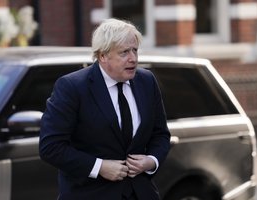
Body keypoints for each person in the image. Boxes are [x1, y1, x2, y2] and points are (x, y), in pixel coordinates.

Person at [39, 18, 171, 200]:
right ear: (102, 56)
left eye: (135, 50)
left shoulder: (147, 81)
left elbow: (161, 134)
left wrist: (151, 161)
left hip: (141, 193)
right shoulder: (72, 87)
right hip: (89, 194)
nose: (133, 58)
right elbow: (51, 147)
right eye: (124, 52)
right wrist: (99, 167)